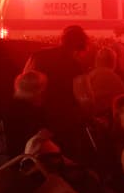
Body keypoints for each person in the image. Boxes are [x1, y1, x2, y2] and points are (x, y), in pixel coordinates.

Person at [23, 25, 90, 156]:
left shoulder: (38, 56)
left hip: (36, 120)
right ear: (80, 45)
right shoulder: (75, 65)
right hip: (65, 124)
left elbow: (24, 86)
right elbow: (84, 97)